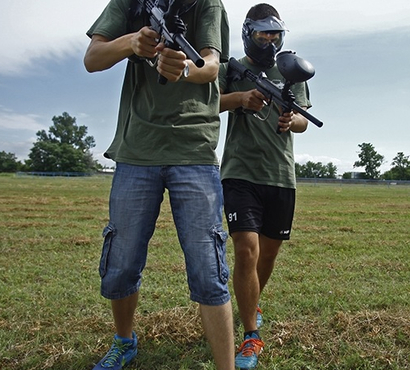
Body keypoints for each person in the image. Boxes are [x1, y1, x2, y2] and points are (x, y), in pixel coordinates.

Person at [83, 0, 234, 369]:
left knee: (208, 269)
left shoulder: (207, 4)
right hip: (137, 149)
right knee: (122, 261)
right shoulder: (128, 3)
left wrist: (185, 67)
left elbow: (211, 66)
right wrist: (131, 42)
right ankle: (124, 341)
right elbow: (92, 58)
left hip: (193, 148)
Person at [218, 3, 311, 369]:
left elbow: (304, 119)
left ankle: (249, 304)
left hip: (280, 174)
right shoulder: (230, 69)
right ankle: (251, 334)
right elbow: (206, 105)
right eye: (263, 34)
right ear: (249, 34)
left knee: (268, 255)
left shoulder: (291, 71)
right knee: (246, 250)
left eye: (275, 34)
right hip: (240, 172)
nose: (269, 40)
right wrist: (240, 99)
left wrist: (291, 120)